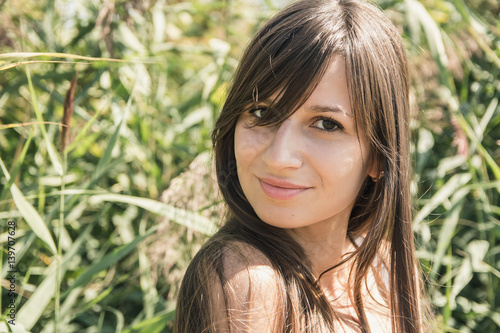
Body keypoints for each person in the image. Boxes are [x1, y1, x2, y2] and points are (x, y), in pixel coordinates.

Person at [174, 0, 432, 331]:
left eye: (326, 124)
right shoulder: (247, 281)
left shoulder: (387, 270)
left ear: (379, 157)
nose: (279, 157)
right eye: (262, 113)